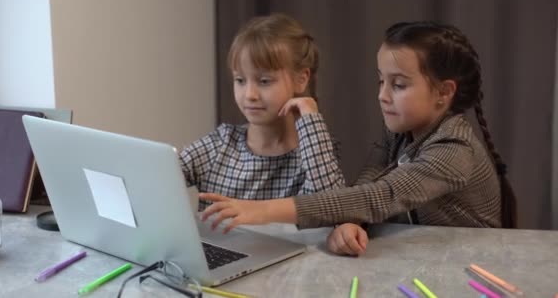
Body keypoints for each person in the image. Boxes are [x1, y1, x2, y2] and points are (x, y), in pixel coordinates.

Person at [200, 21, 518, 256]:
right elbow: (369, 183)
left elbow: (380, 197)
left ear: (444, 92)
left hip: (473, 265)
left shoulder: (453, 150)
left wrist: (259, 211)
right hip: (427, 256)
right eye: (381, 81)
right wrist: (354, 224)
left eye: (399, 85)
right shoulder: (401, 131)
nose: (382, 95)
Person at [180, 13, 344, 211]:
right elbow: (156, 179)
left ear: (301, 79)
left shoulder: (314, 150)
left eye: (264, 81)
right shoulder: (220, 144)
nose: (249, 94)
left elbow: (333, 207)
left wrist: (311, 119)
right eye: (240, 80)